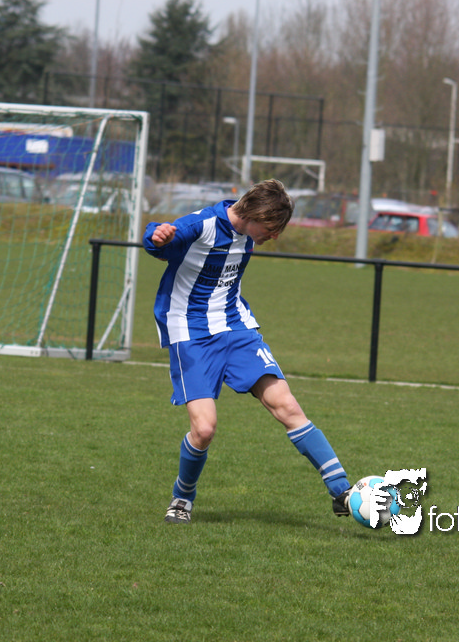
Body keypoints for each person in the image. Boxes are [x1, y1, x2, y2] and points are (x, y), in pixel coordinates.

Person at [142, 178, 356, 524]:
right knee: (204, 429)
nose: (274, 236)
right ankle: (182, 498)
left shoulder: (247, 233)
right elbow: (162, 238)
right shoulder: (202, 226)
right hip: (191, 334)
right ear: (255, 215)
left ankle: (342, 492)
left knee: (287, 405)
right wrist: (156, 235)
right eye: (272, 229)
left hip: (237, 328)